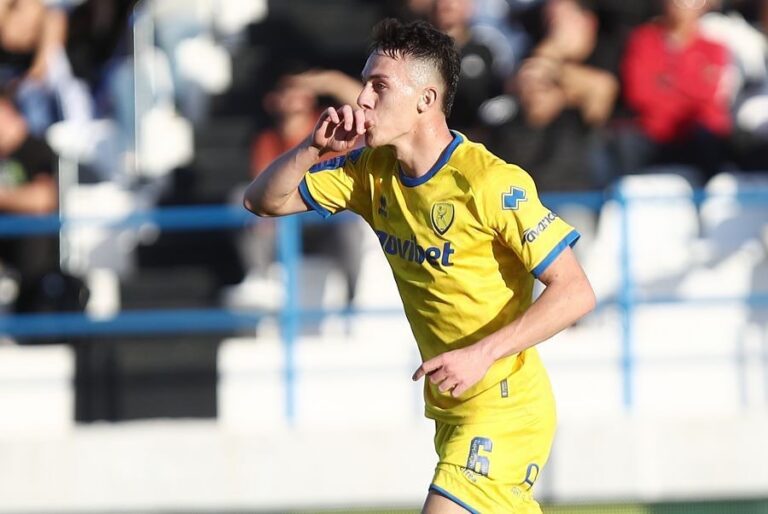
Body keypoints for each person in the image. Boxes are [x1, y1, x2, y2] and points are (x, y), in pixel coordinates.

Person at [243, 19, 595, 513]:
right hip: (452, 409)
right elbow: (263, 201)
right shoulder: (370, 172)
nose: (362, 98)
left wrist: (481, 354)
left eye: (379, 86)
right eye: (365, 83)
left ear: (426, 100)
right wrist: (310, 151)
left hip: (505, 407)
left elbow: (576, 292)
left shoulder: (489, 182)